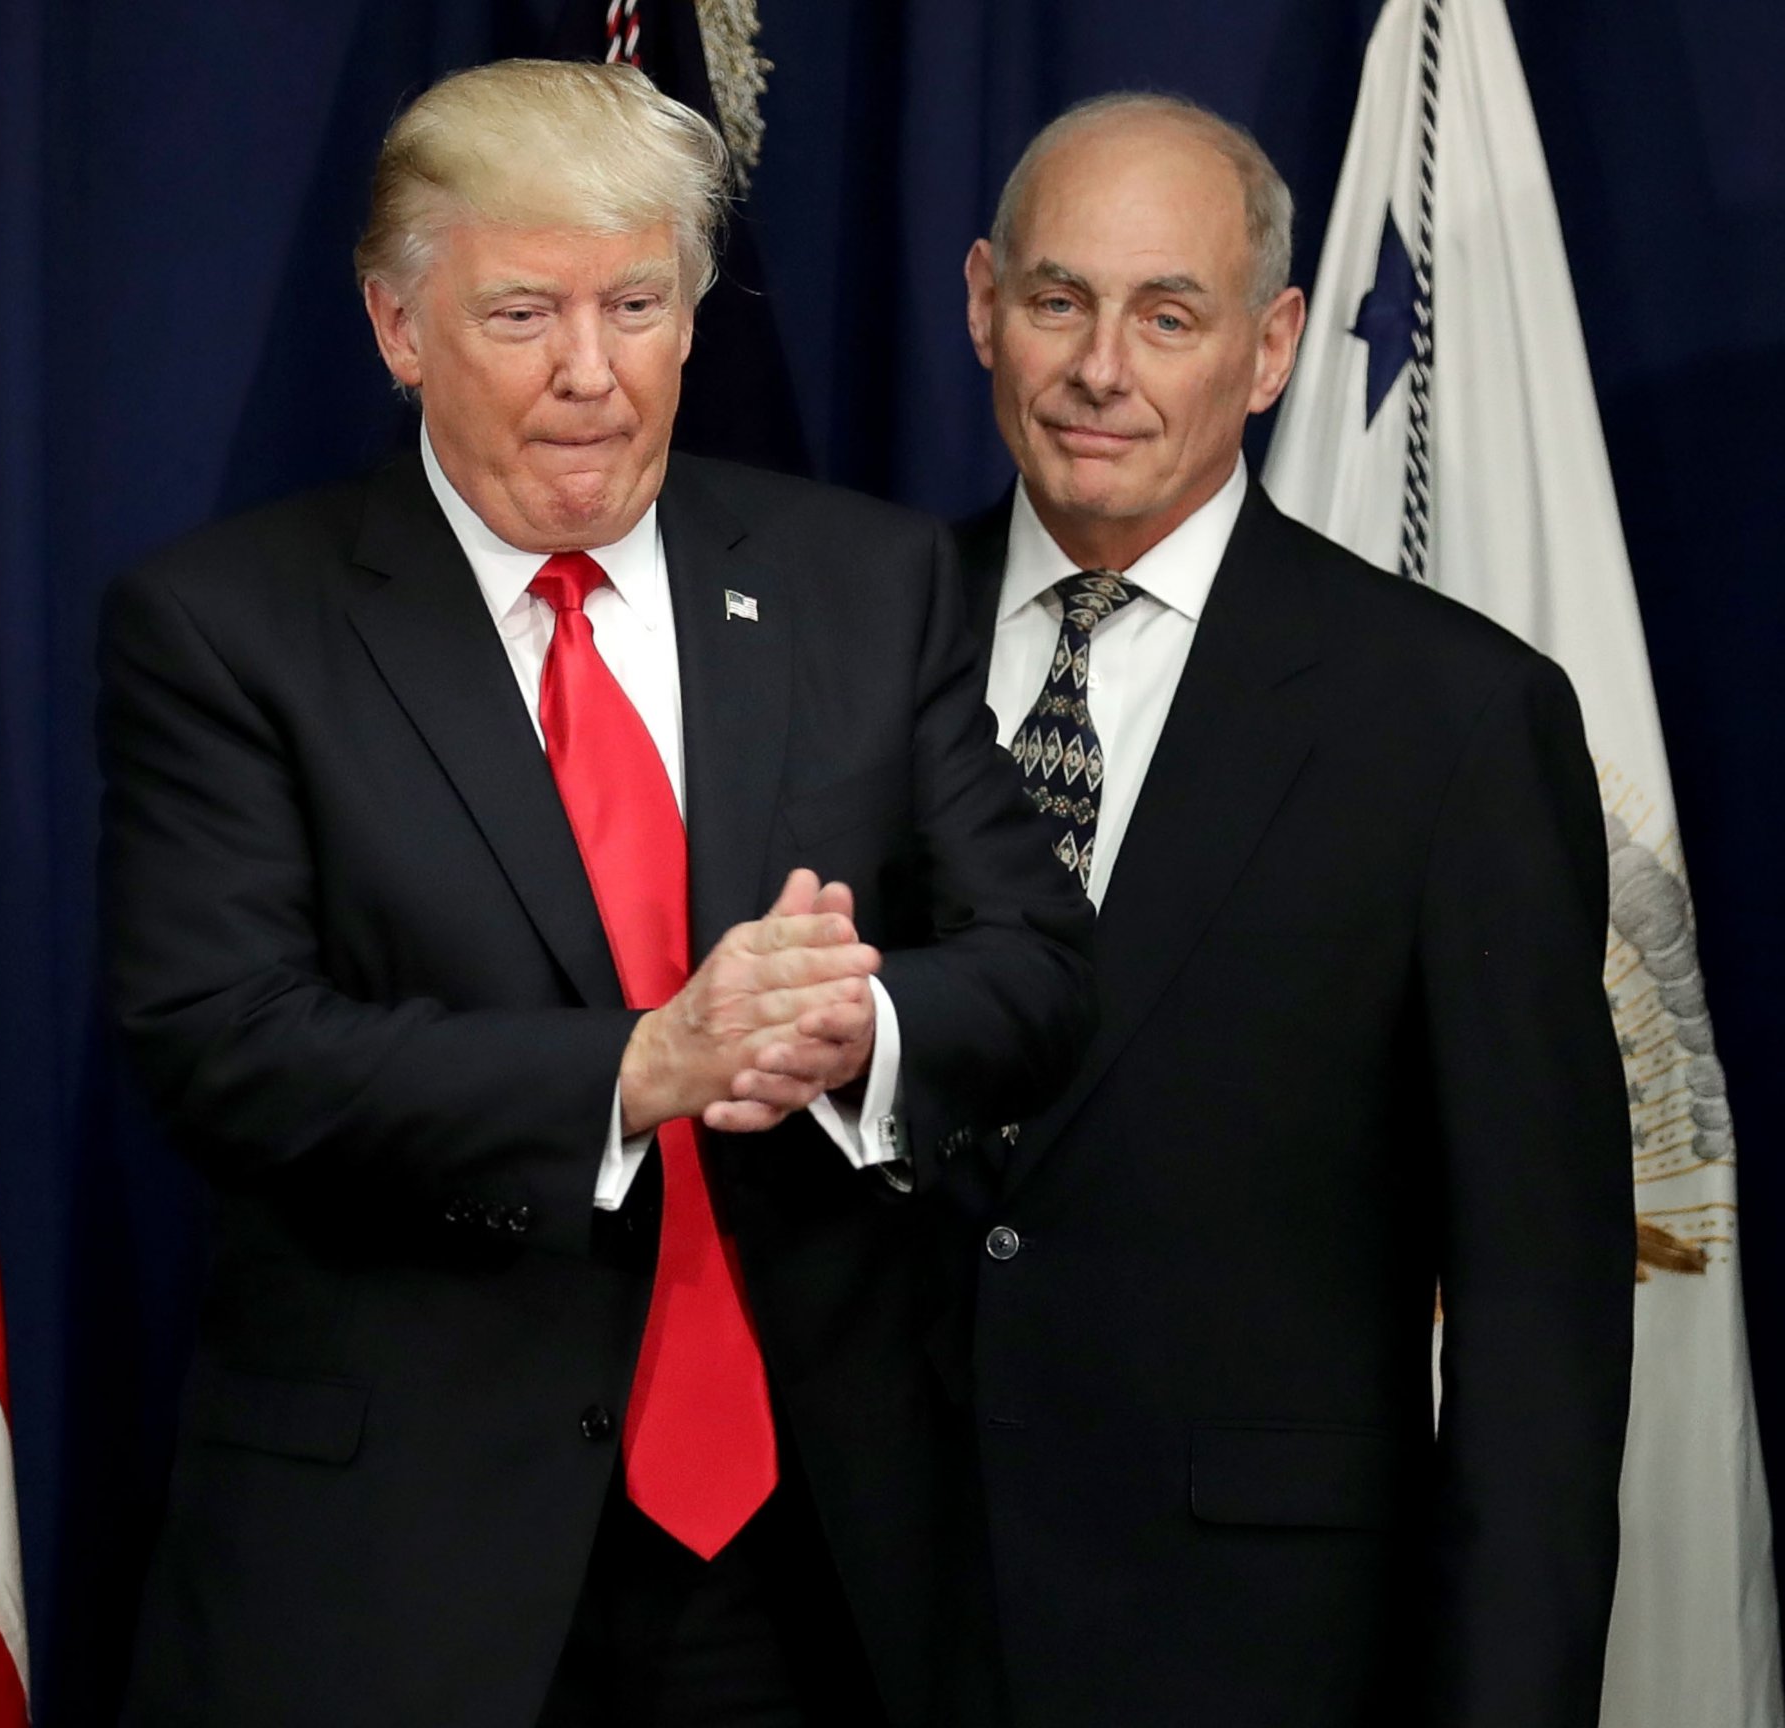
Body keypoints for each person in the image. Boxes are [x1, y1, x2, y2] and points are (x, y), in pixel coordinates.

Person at [99, 59, 1093, 1728]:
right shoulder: (229, 628)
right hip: (403, 1564)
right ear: (397, 326)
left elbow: (1040, 966)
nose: (588, 373)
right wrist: (637, 1072)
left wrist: (861, 1025)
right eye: (520, 314)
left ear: (694, 314)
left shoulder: (866, 582)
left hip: (802, 1561)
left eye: (636, 302)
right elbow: (225, 1045)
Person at [948, 93, 1635, 1725]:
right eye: (1059, 300)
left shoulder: (1455, 720)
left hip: (1262, 1657)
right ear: (983, 305)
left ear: (1269, 350)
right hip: (856, 1632)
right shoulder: (834, 647)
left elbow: (1539, 1320)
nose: (1101, 368)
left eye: (1167, 316)